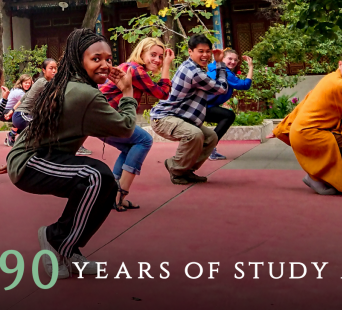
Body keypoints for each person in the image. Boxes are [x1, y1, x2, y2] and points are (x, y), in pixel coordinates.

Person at [6, 29, 137, 280]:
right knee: (97, 177)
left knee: (105, 183)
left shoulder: (73, 84)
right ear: (79, 59)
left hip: (40, 158)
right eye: (96, 58)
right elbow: (125, 127)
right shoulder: (84, 93)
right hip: (31, 162)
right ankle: (54, 238)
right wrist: (128, 93)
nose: (105, 65)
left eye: (108, 59)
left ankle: (70, 249)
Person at [273, 51, 342, 196]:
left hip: (302, 131)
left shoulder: (331, 78)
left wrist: (281, 127)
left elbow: (305, 103)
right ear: (340, 64)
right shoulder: (341, 85)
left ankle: (333, 179)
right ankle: (319, 178)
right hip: (311, 134)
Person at [98, 37, 175, 210]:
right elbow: (163, 93)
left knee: (130, 147)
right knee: (144, 140)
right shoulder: (135, 70)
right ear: (141, 53)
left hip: (101, 120)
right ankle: (119, 194)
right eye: (153, 54)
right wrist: (167, 66)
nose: (157, 59)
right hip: (108, 119)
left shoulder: (129, 67)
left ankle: (109, 193)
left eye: (161, 56)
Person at [151, 35, 229, 185]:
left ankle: (186, 170)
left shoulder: (194, 67)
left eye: (208, 51)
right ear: (190, 52)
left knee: (211, 137)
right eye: (200, 51)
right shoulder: (194, 72)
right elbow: (222, 89)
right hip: (163, 118)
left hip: (180, 117)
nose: (205, 55)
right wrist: (219, 63)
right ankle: (175, 167)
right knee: (194, 134)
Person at [203, 48, 253, 160]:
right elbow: (245, 85)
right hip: (202, 107)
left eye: (235, 60)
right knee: (228, 116)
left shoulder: (213, 67)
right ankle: (208, 147)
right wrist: (250, 67)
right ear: (222, 59)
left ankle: (208, 146)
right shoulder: (225, 72)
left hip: (202, 106)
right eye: (229, 58)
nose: (233, 62)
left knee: (224, 117)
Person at [2, 74, 33, 147]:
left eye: (29, 83)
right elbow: (28, 103)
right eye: (26, 83)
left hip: (3, 110)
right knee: (21, 116)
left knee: (22, 120)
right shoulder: (20, 93)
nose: (28, 84)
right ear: (21, 83)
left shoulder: (17, 89)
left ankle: (10, 136)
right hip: (5, 112)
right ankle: (11, 135)